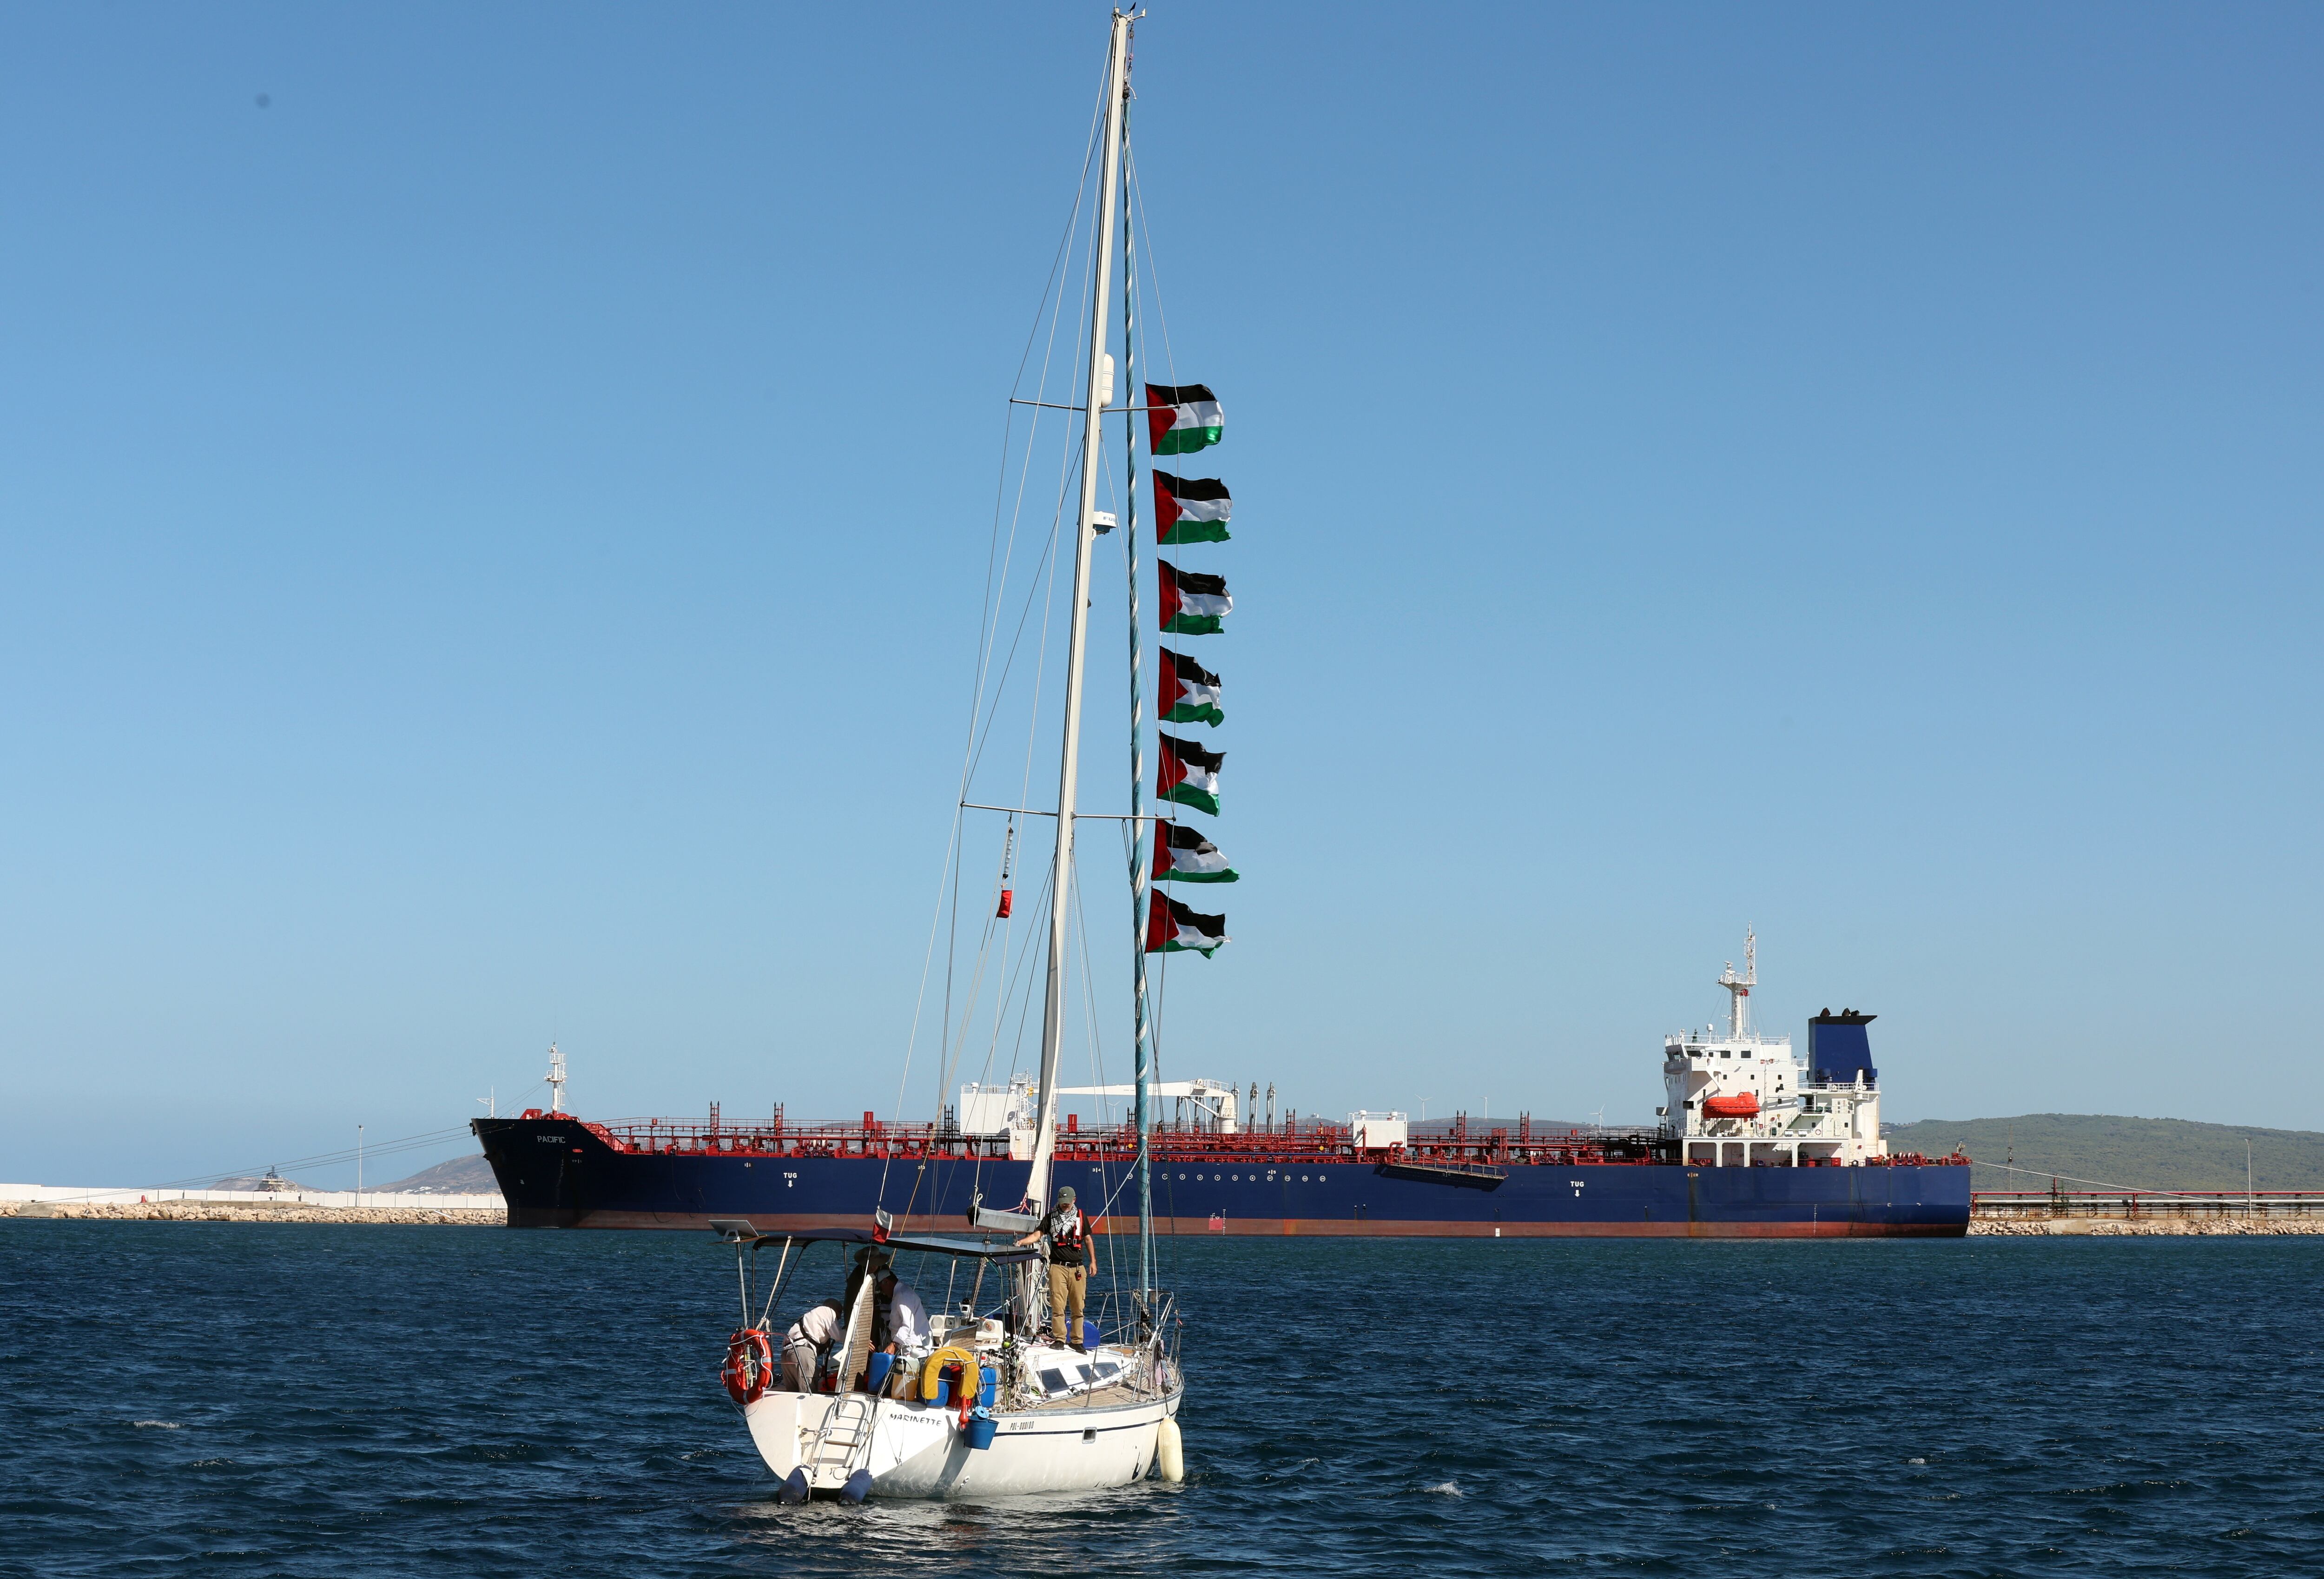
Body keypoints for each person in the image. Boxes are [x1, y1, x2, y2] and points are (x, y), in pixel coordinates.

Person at [1015, 1183, 1091, 1350]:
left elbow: (1088, 1240)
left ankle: (1077, 1341)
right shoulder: (1051, 1218)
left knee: (1078, 1306)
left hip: (1077, 1268)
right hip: (1058, 1267)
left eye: (1068, 1202)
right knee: (1058, 1305)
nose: (1065, 1205)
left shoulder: (1080, 1217)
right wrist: (1023, 1241)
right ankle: (1059, 1339)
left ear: (1074, 1201)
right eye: (1063, 1202)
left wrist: (1093, 1262)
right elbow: (1038, 1234)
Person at [780, 1297, 842, 1392]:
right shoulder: (828, 1311)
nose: (838, 1319)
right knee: (808, 1394)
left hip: (786, 1354)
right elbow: (838, 1336)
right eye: (838, 1317)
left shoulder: (811, 1317)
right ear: (836, 1310)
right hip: (802, 1352)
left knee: (793, 1395)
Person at [874, 1268, 928, 1356]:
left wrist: (894, 1344)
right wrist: (878, 1308)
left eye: (881, 1288)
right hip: (910, 1348)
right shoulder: (902, 1292)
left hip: (913, 1351)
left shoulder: (902, 1296)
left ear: (886, 1282)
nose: (882, 1292)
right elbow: (894, 1309)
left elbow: (907, 1325)